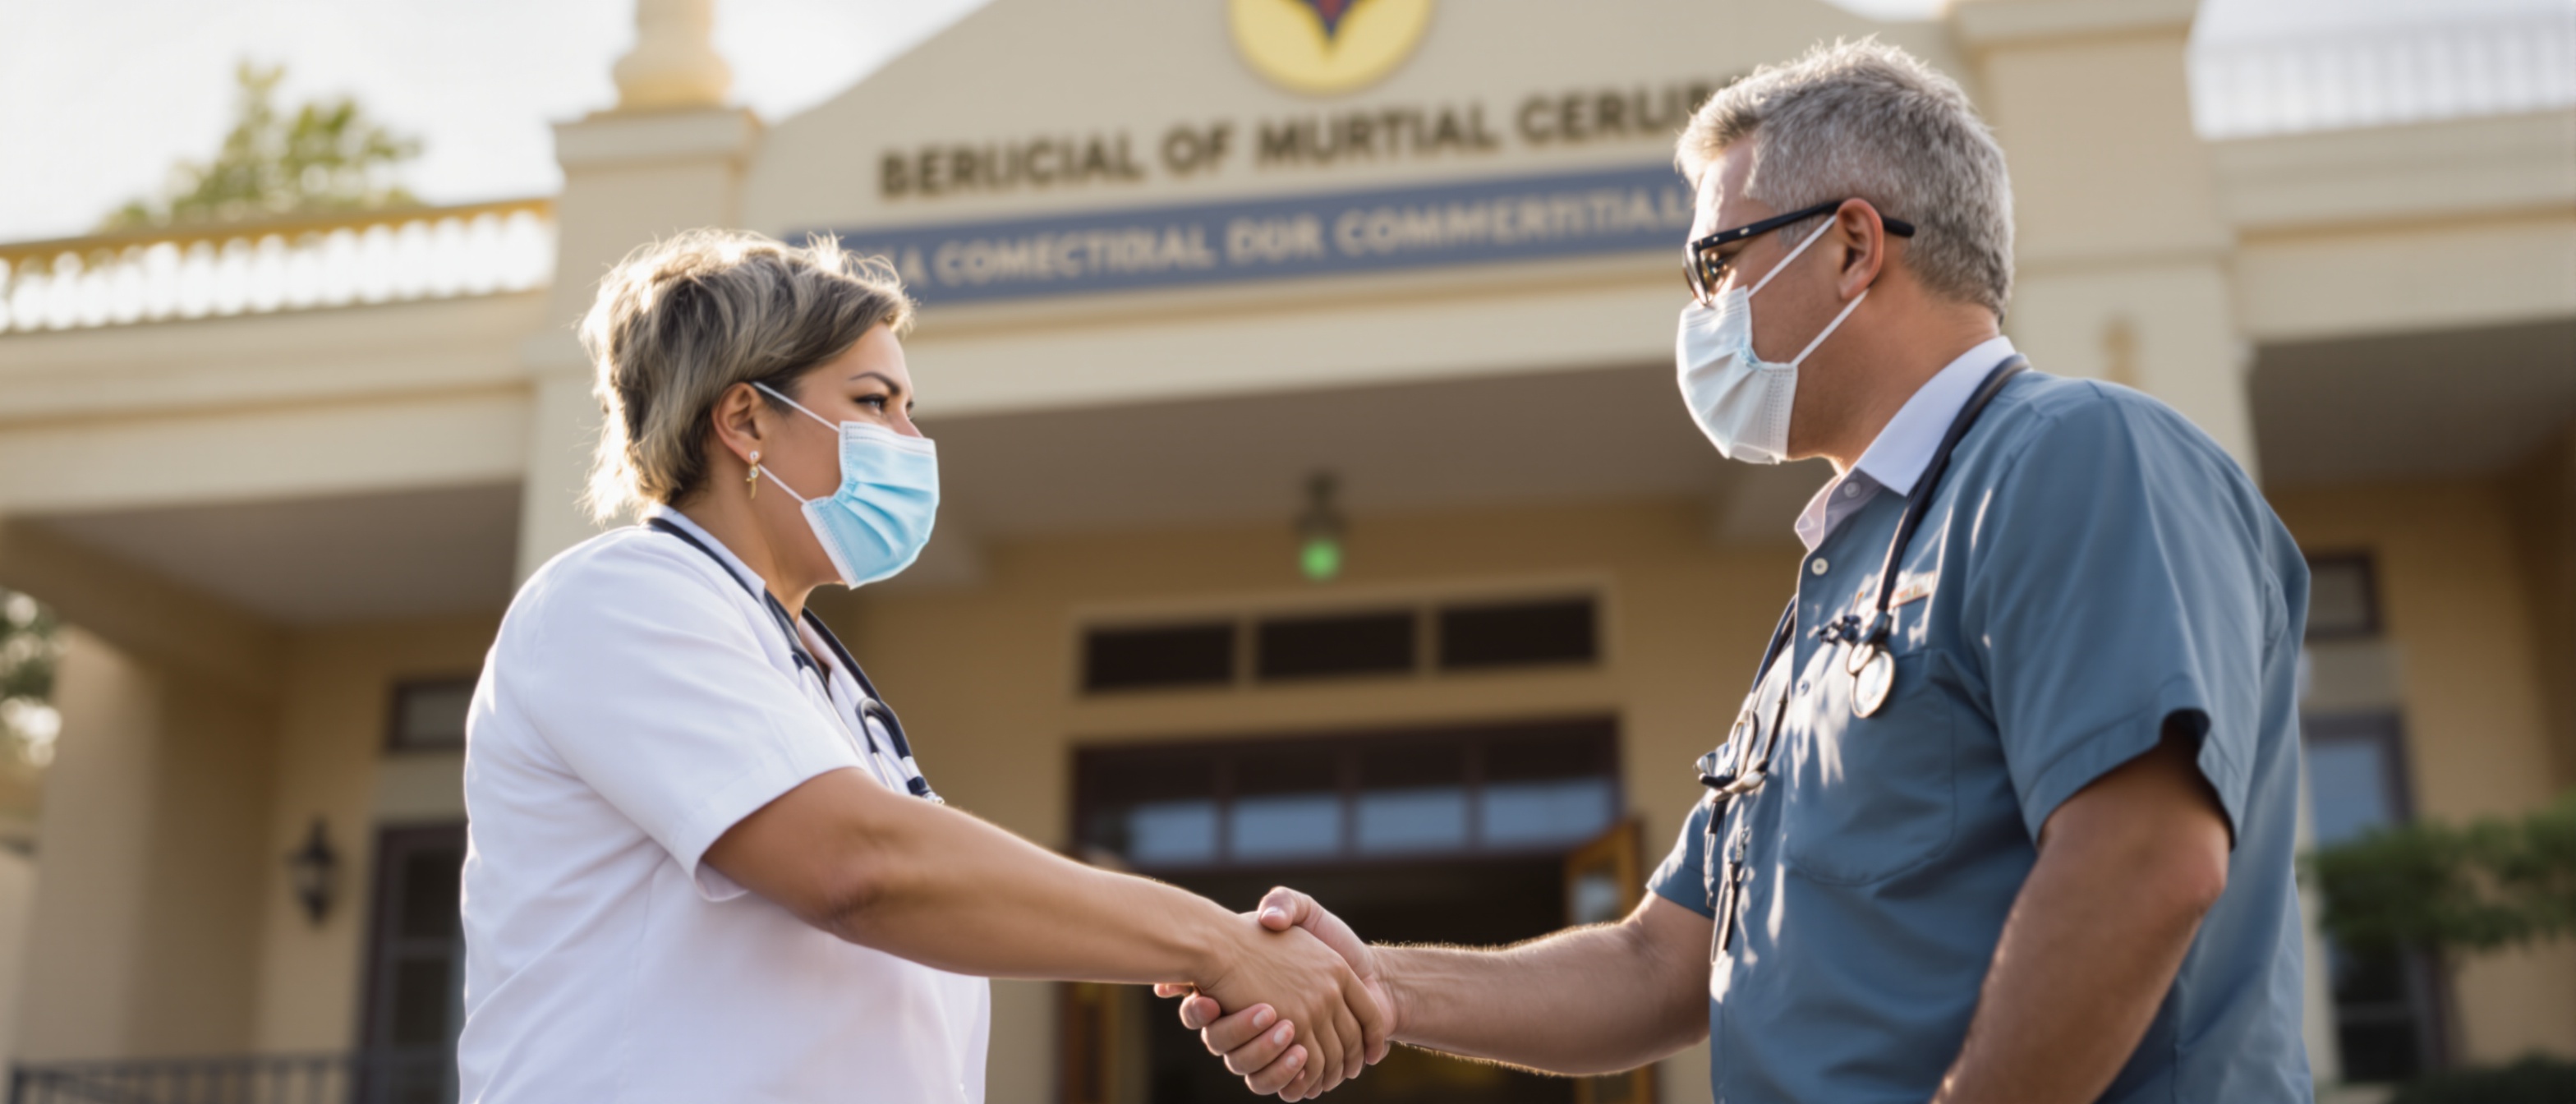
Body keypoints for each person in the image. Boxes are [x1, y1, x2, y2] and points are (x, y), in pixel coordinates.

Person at [1167, 39, 2313, 1104]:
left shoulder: (2076, 458)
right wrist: (1366, 981)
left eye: (1717, 260)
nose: (1702, 312)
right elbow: (1657, 964)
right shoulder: (1840, 581)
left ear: (1855, 246)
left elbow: (2147, 859)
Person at [456, 230, 1385, 1103]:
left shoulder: (811, 666)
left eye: (910, 409)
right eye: (871, 403)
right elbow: (860, 868)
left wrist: (1227, 954)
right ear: (744, 418)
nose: (908, 439)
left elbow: (932, 898)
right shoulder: (621, 596)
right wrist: (1216, 944)